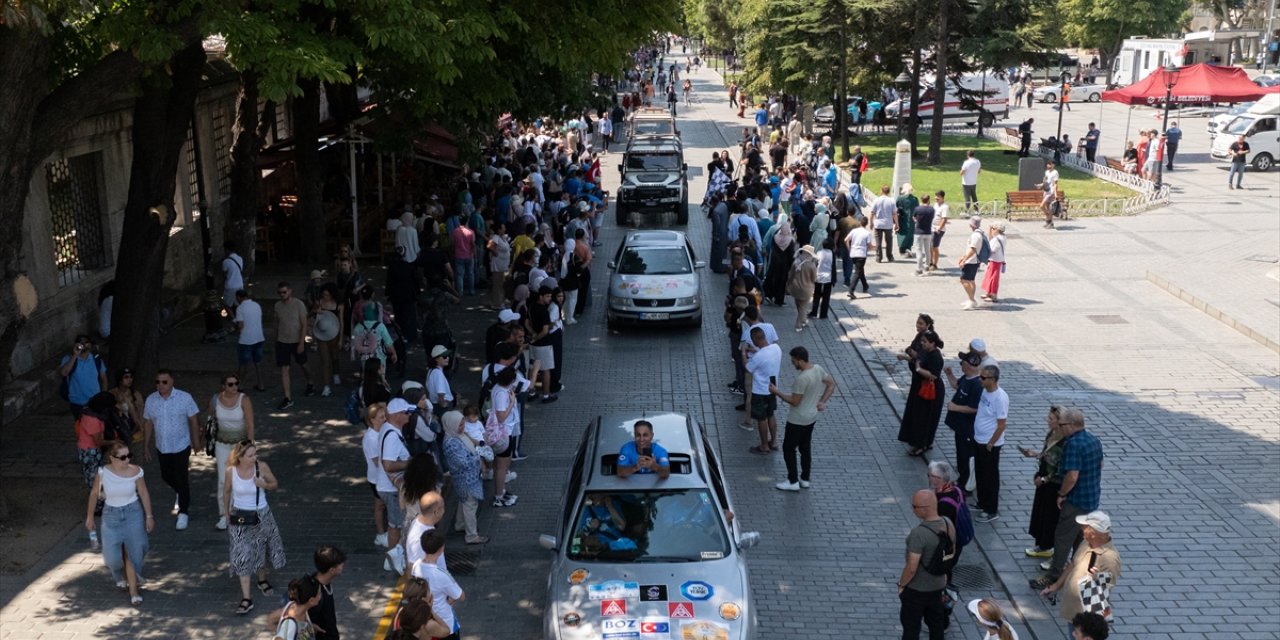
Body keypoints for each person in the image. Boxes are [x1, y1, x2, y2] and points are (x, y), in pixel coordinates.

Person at [1034, 407, 1105, 588]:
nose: (1060, 427)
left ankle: (1054, 575)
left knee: (1062, 538)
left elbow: (1072, 476)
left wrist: (1062, 494)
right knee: (1080, 539)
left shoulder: (1072, 444)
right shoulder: (1093, 440)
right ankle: (1081, 570)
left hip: (1075, 500)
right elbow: (1101, 464)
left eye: (1062, 424)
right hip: (1091, 498)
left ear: (1073, 425)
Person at [86, 440, 153, 606]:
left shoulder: (136, 471)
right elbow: (94, 494)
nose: (127, 460)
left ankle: (134, 591)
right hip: (111, 515)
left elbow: (143, 493)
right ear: (112, 458)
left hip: (133, 513)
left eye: (129, 455)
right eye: (123, 457)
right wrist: (90, 517)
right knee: (113, 558)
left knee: (136, 550)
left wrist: (149, 516)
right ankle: (119, 574)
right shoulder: (103, 472)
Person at [223, 439, 285, 615]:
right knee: (242, 553)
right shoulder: (231, 472)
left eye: (255, 454)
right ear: (240, 457)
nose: (254, 457)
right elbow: (226, 491)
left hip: (261, 513)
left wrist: (264, 485)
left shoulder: (261, 467)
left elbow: (275, 483)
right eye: (250, 455)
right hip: (240, 516)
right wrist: (226, 513)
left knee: (260, 549)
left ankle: (262, 579)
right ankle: (246, 598)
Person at [769, 346, 836, 491]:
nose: (792, 364)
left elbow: (794, 401)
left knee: (788, 448)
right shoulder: (818, 369)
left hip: (797, 419)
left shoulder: (802, 378)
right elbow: (831, 384)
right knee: (805, 448)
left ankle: (792, 480)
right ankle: (805, 478)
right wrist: (822, 401)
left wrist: (777, 392)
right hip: (811, 417)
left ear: (800, 360)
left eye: (793, 361)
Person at [142, 370, 201, 530]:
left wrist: (196, 442)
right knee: (166, 475)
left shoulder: (184, 398)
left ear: (172, 381)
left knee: (181, 476)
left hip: (181, 445)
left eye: (164, 382)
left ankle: (183, 512)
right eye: (157, 382)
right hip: (162, 445)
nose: (160, 385)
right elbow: (148, 423)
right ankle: (181, 492)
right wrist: (146, 445)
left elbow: (194, 420)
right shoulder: (151, 400)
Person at [1038, 511, 1122, 624]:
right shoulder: (1086, 543)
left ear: (1092, 533)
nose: (1081, 530)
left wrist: (1096, 579)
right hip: (1073, 610)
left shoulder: (1110, 559)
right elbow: (1073, 564)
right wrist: (1056, 586)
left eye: (1084, 527)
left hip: (1087, 617)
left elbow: (1104, 591)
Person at [898, 490, 953, 640]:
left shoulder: (919, 534)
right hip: (938, 586)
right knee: (936, 626)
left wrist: (901, 585)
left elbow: (911, 567)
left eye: (914, 506)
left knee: (911, 628)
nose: (912, 509)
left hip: (917, 590)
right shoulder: (948, 524)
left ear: (925, 508)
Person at [209, 374, 255, 531]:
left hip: (239, 446)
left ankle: (238, 514)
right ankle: (224, 515)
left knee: (239, 479)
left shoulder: (244, 400)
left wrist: (250, 447)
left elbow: (250, 425)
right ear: (223, 386)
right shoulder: (216, 399)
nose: (234, 387)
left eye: (236, 383)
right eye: (230, 384)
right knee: (223, 480)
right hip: (222, 444)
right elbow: (210, 419)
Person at [1021, 406, 1066, 560]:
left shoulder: (1065, 442)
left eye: (1051, 419)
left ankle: (1047, 546)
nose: (1048, 421)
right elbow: (1047, 454)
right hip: (1043, 478)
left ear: (1060, 422)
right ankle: (1041, 544)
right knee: (1041, 512)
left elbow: (1062, 467)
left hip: (1053, 483)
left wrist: (1044, 479)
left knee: (1049, 515)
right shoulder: (1051, 434)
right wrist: (1036, 454)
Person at [376, 398, 414, 575]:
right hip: (392, 489)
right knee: (397, 525)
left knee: (395, 524)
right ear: (397, 415)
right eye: (406, 413)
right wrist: (410, 463)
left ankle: (389, 561)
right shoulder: (391, 436)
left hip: (390, 487)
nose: (409, 416)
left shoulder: (389, 429)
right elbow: (388, 465)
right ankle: (394, 559)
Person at [441, 410, 489, 544]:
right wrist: (478, 457)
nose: (462, 428)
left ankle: (460, 524)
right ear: (451, 425)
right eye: (459, 425)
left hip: (467, 478)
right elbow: (462, 462)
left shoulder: (456, 436)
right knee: (470, 505)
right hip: (466, 479)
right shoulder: (451, 443)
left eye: (463, 424)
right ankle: (472, 536)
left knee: (464, 502)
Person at [970, 365, 1008, 523]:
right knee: (980, 473)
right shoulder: (986, 391)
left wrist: (991, 443)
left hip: (989, 443)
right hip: (979, 438)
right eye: (980, 376)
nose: (980, 379)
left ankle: (991, 509)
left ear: (993, 379)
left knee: (990, 476)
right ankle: (982, 502)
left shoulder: (1000, 398)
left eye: (984, 377)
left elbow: (1001, 425)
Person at [898, 329, 945, 457]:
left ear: (933, 343)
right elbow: (917, 359)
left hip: (931, 391)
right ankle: (916, 440)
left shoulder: (936, 356)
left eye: (925, 342)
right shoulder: (925, 351)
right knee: (917, 415)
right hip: (920, 387)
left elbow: (933, 376)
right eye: (922, 341)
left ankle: (923, 444)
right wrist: (906, 358)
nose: (922, 344)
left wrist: (919, 369)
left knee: (926, 418)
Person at [412, 529, 465, 640]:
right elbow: (461, 596)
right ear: (441, 549)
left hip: (424, 622)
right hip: (444, 623)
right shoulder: (442, 575)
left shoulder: (416, 566)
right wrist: (452, 599)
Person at [943, 351, 984, 493]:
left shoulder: (977, 385)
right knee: (960, 455)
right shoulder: (967, 378)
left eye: (962, 362)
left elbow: (974, 408)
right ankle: (961, 479)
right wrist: (949, 375)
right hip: (960, 427)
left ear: (970, 364)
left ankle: (966, 486)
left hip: (968, 429)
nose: (960, 364)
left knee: (966, 457)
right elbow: (956, 385)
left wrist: (955, 407)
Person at [274, 282, 314, 409]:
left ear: (290, 291)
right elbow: (276, 323)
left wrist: (302, 342)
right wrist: (276, 339)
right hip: (282, 341)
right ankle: (288, 397)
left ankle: (310, 381)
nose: (282, 295)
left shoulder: (299, 304)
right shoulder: (278, 306)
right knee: (284, 368)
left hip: (297, 340)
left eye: (284, 292)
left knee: (303, 364)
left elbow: (304, 324)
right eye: (280, 292)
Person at [743, 327, 782, 454]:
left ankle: (764, 446)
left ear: (755, 339)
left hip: (760, 391)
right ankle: (774, 442)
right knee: (771, 415)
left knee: (761, 418)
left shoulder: (759, 356)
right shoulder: (776, 349)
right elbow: (766, 356)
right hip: (773, 389)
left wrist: (744, 353)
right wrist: (756, 350)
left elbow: (748, 368)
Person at [361, 402, 390, 549]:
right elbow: (377, 461)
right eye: (380, 417)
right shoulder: (371, 438)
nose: (384, 419)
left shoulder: (381, 432)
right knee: (379, 505)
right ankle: (380, 534)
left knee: (383, 505)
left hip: (383, 476)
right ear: (371, 419)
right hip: (377, 478)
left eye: (384, 416)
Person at [59, 334, 107, 417]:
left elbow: (104, 378)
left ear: (90, 344)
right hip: (77, 403)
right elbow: (64, 373)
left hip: (94, 401)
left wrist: (103, 396)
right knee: (81, 428)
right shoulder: (68, 359)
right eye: (80, 342)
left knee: (96, 426)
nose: (83, 344)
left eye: (86, 342)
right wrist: (75, 355)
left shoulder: (96, 359)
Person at [310, 546, 346, 640]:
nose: (343, 565)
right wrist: (311, 627)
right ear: (332, 570)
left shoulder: (322, 580)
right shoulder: (316, 592)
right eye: (340, 564)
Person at [272, 575, 322, 640]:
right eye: (319, 593)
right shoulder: (290, 624)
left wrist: (310, 629)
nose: (320, 596)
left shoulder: (301, 606)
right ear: (311, 600)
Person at [787, 245, 818, 332]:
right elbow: (814, 279)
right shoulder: (812, 265)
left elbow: (790, 275)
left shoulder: (795, 263)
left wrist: (788, 284)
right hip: (807, 289)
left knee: (799, 305)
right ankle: (798, 325)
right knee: (803, 307)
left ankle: (803, 319)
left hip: (795, 288)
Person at [957, 216, 984, 309]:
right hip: (973, 260)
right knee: (971, 280)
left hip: (972, 261)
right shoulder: (978, 233)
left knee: (963, 280)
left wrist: (964, 260)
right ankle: (971, 300)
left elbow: (973, 250)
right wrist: (963, 257)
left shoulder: (976, 235)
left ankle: (972, 300)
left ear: (972, 224)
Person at [980, 221, 1007, 303]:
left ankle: (993, 294)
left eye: (993, 229)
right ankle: (989, 293)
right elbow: (991, 238)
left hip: (994, 260)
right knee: (990, 277)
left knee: (993, 278)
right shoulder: (1003, 237)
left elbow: (992, 250)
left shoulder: (997, 239)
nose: (991, 230)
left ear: (996, 230)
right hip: (997, 260)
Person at [808, 238, 834, 319]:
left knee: (816, 295)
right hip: (828, 278)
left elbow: (814, 263)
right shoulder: (833, 254)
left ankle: (814, 312)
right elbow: (834, 267)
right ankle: (823, 314)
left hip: (818, 276)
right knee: (826, 297)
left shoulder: (819, 253)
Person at [912, 194, 935, 276]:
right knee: (927, 251)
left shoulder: (918, 209)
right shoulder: (931, 209)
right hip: (928, 232)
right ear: (928, 200)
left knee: (919, 251)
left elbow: (914, 217)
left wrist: (916, 221)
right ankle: (926, 267)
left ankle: (919, 269)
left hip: (918, 232)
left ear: (921, 200)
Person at [895, 183, 918, 259]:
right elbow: (917, 210)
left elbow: (896, 208)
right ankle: (908, 248)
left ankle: (902, 249)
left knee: (901, 233)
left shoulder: (900, 198)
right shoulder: (915, 199)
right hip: (912, 220)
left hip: (902, 219)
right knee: (910, 234)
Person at [221, 241, 245, 310]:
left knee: (227, 304)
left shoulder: (226, 261)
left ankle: (233, 318)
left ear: (227, 249)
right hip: (240, 284)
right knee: (238, 303)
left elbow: (224, 274)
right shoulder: (240, 258)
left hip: (230, 286)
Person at [929, 191, 948, 271]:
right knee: (930, 246)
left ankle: (934, 264)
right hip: (932, 228)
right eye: (935, 196)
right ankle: (930, 262)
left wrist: (939, 228)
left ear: (942, 198)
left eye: (938, 196)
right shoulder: (935, 205)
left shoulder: (944, 207)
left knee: (934, 246)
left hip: (938, 230)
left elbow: (944, 219)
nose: (936, 198)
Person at [1037, 161, 1060, 229]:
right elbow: (1045, 181)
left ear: (1053, 165)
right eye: (1047, 164)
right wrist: (1040, 185)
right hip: (1046, 191)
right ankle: (1050, 222)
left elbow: (1055, 184)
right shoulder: (1046, 172)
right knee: (1048, 208)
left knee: (1041, 206)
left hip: (1051, 192)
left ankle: (1048, 219)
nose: (1048, 165)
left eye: (1050, 164)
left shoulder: (1055, 172)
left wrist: (1055, 194)